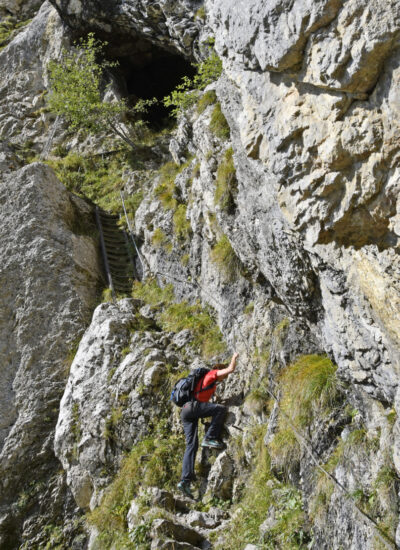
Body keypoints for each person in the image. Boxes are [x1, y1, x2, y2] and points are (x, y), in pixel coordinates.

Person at [177, 352, 239, 498]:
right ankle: (210, 437)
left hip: (186, 411)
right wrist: (234, 358)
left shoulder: (208, 383)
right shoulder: (212, 374)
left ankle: (185, 481)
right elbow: (230, 369)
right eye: (223, 376)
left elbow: (209, 399)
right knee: (221, 410)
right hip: (192, 408)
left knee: (191, 445)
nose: (225, 378)